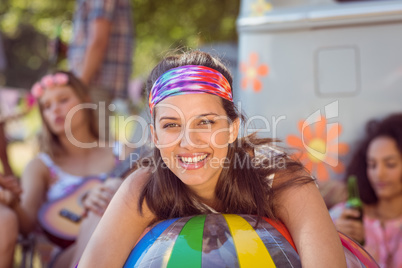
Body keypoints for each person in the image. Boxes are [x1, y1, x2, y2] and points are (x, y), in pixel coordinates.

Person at [78, 51, 347, 267]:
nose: (188, 141)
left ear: (232, 128)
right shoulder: (144, 189)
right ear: (154, 136)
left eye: (205, 122)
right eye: (171, 125)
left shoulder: (278, 178)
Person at [0, 71, 129, 267]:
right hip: (62, 258)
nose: (55, 110)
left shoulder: (122, 153)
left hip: (121, 248)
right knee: (95, 219)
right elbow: (26, 227)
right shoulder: (41, 166)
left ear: (86, 101)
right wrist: (13, 202)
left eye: (63, 100)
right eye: (47, 106)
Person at [331, 113, 402, 268]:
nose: (379, 174)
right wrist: (334, 239)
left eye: (390, 164)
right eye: (372, 165)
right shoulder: (345, 216)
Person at [68, 0, 134, 141]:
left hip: (93, 81)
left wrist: (80, 86)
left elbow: (99, 40)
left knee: (95, 143)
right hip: (93, 80)